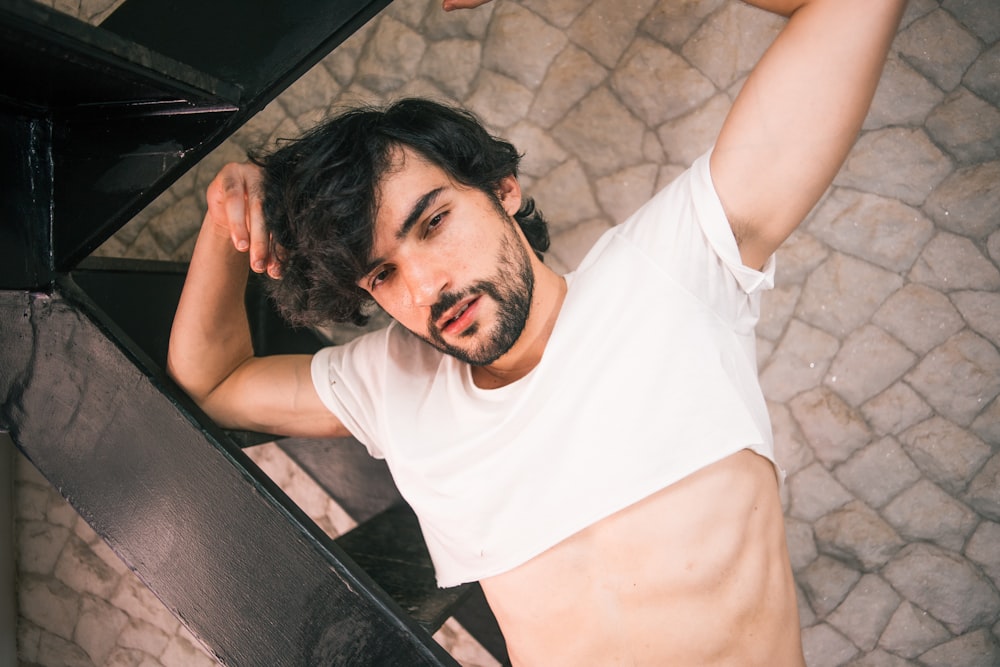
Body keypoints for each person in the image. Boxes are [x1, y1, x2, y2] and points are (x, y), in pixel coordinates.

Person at [167, 0, 906, 664]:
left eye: (433, 223)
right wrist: (225, 218)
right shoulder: (396, 380)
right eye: (382, 274)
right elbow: (215, 380)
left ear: (502, 188)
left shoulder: (675, 269)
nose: (427, 286)